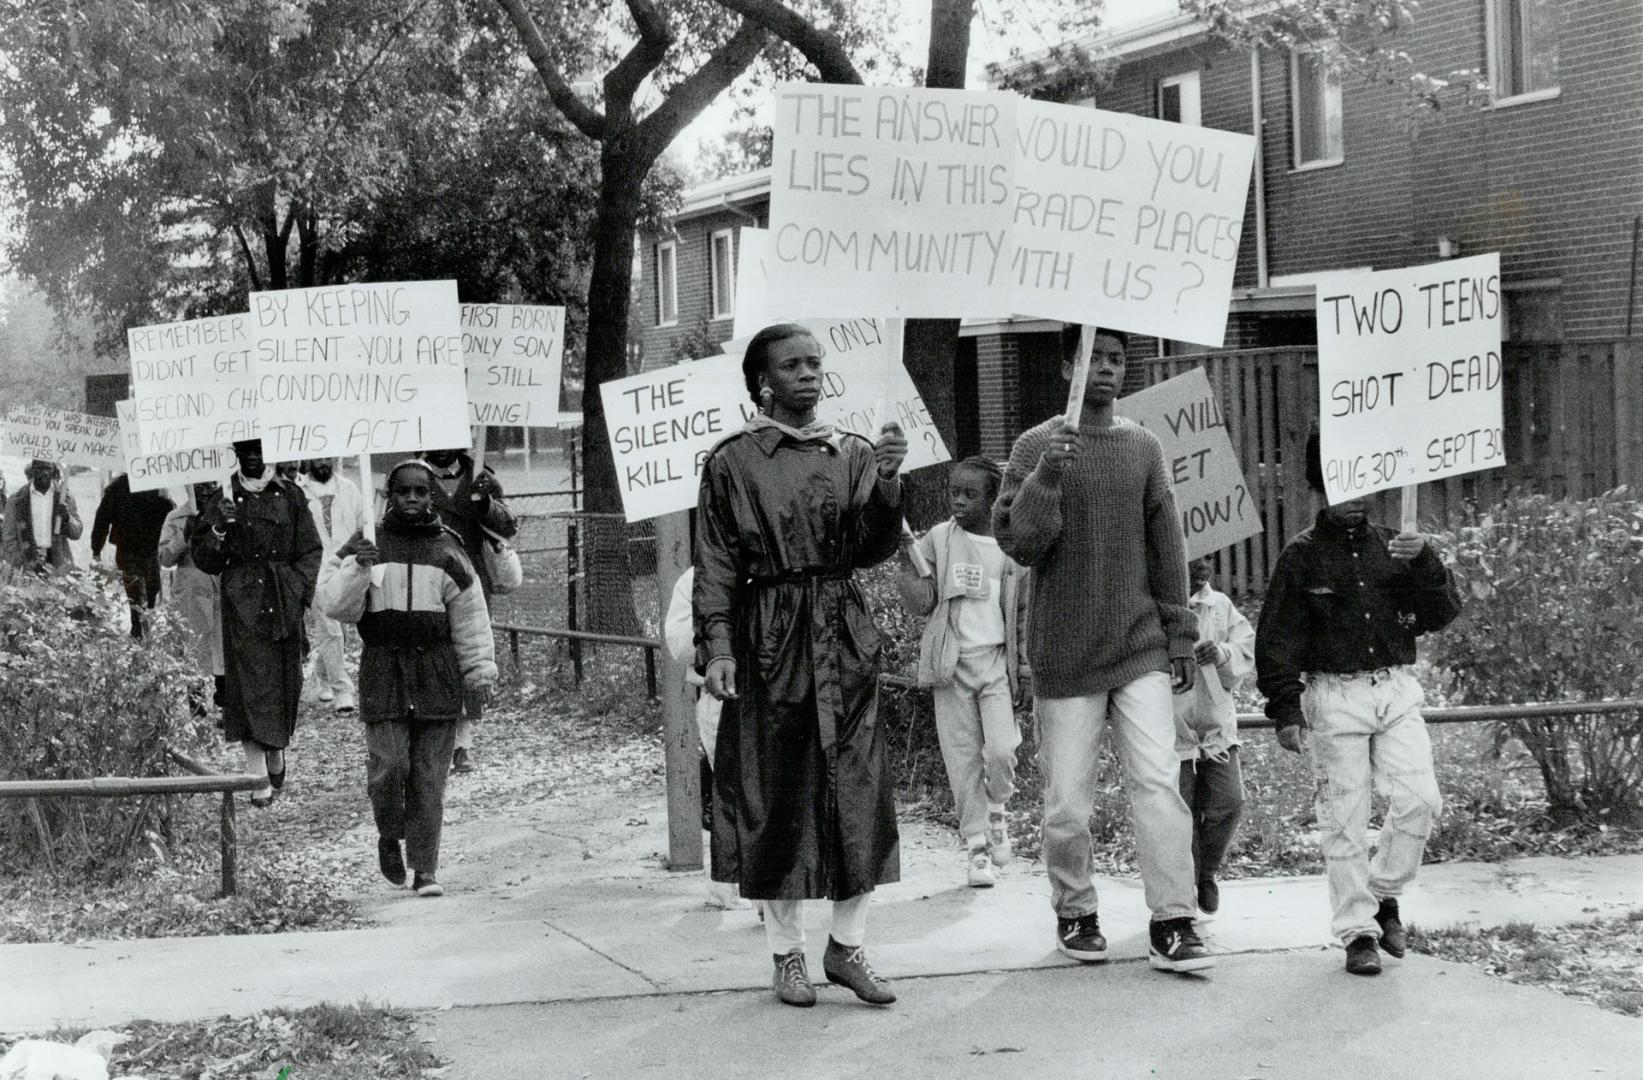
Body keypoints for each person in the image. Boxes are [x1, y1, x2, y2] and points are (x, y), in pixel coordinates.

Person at [695, 322, 907, 1009]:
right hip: (771, 636)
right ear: (762, 382)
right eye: (793, 366)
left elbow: (871, 549)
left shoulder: (851, 453)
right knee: (776, 791)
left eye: (815, 363)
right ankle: (784, 954)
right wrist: (720, 645)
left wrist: (888, 484)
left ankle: (846, 946)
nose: (809, 374)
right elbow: (718, 564)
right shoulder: (732, 462)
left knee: (856, 787)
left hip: (841, 633)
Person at [994, 325, 1213, 974]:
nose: (1107, 371)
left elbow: (1166, 548)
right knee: (1066, 800)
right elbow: (1019, 543)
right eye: (1094, 359)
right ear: (1068, 366)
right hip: (1064, 653)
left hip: (1138, 645)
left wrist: (1178, 634)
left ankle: (1172, 921)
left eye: (1117, 360)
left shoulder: (1142, 446)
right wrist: (1045, 475)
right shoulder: (1035, 444)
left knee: (1156, 783)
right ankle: (1075, 909)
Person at [1256, 430, 1462, 976]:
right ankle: (1357, 931)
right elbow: (1276, 640)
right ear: (1321, 484)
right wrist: (1286, 707)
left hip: (1393, 690)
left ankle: (1384, 892)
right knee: (1344, 817)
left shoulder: (1399, 546)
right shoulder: (1301, 556)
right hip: (1333, 694)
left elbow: (1441, 612)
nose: (1358, 495)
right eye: (1345, 480)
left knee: (1420, 798)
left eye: (1368, 479)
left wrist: (1426, 563)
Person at [316, 460, 498, 898]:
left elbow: (472, 620)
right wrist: (358, 568)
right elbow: (333, 605)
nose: (412, 499)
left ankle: (425, 868)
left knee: (430, 778)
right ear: (388, 496)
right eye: (403, 492)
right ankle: (388, 833)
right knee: (389, 765)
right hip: (384, 669)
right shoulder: (366, 545)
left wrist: (479, 672)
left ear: (431, 496)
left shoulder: (449, 550)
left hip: (437, 674)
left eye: (420, 492)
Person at [895, 455, 1030, 889]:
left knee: (1002, 749)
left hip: (995, 665)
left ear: (993, 499)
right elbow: (921, 601)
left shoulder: (1011, 548)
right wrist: (908, 564)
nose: (958, 501)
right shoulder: (938, 538)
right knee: (962, 758)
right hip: (951, 665)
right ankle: (976, 847)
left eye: (970, 495)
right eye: (953, 492)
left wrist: (1024, 671)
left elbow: (1023, 613)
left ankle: (998, 810)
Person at [191, 440, 322, 807]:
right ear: (236, 454)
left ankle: (277, 747)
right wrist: (218, 527)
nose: (252, 458)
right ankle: (256, 772)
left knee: (285, 682)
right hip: (243, 604)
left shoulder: (291, 495)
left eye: (259, 451)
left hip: (282, 601)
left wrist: (297, 591)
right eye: (245, 450)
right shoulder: (223, 496)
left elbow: (310, 550)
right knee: (248, 685)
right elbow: (205, 559)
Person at [418, 446, 518, 773]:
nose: (442, 448)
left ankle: (463, 741)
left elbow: (508, 526)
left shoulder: (482, 478)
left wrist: (486, 504)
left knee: (470, 654)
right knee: (435, 654)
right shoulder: (411, 477)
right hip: (428, 579)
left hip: (471, 578)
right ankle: (438, 736)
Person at [664, 565, 754, 912]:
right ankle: (728, 883)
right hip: (722, 697)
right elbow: (679, 643)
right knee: (732, 788)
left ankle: (766, 887)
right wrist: (718, 626)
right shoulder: (696, 578)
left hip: (771, 693)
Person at [1173, 557, 1256, 916]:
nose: (1201, 568)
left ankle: (1206, 870)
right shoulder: (1162, 607)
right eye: (1192, 560)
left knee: (1229, 801)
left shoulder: (1220, 606)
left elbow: (1245, 650)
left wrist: (1221, 653)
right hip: (1173, 727)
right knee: (1181, 810)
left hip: (1215, 724)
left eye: (1206, 560)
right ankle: (1184, 887)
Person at [298, 457, 366, 712]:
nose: (324, 463)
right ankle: (342, 690)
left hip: (346, 566)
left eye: (328, 457)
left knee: (341, 630)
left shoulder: (349, 488)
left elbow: (362, 525)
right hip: (315, 569)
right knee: (330, 627)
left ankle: (322, 675)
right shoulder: (299, 492)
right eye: (318, 458)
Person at [158, 482, 226, 716]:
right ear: (189, 487)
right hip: (191, 591)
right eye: (199, 486)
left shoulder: (226, 513)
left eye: (210, 486)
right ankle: (197, 710)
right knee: (194, 648)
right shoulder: (176, 517)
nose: (205, 491)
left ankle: (224, 706)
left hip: (220, 587)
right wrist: (184, 537)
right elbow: (164, 558)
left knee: (222, 647)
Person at [91, 473, 174, 637]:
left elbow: (169, 516)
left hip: (150, 549)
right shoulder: (118, 487)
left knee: (153, 589)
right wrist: (96, 549)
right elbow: (102, 518)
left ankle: (145, 628)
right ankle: (139, 632)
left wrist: (167, 499)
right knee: (136, 594)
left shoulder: (156, 482)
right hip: (127, 549)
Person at [3, 459, 83, 573]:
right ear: (33, 471)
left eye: (48, 469)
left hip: (58, 565)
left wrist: (67, 518)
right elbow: (8, 537)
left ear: (53, 471)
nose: (45, 472)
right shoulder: (16, 500)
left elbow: (77, 533)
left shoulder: (65, 498)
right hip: (26, 564)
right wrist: (19, 562)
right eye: (40, 469)